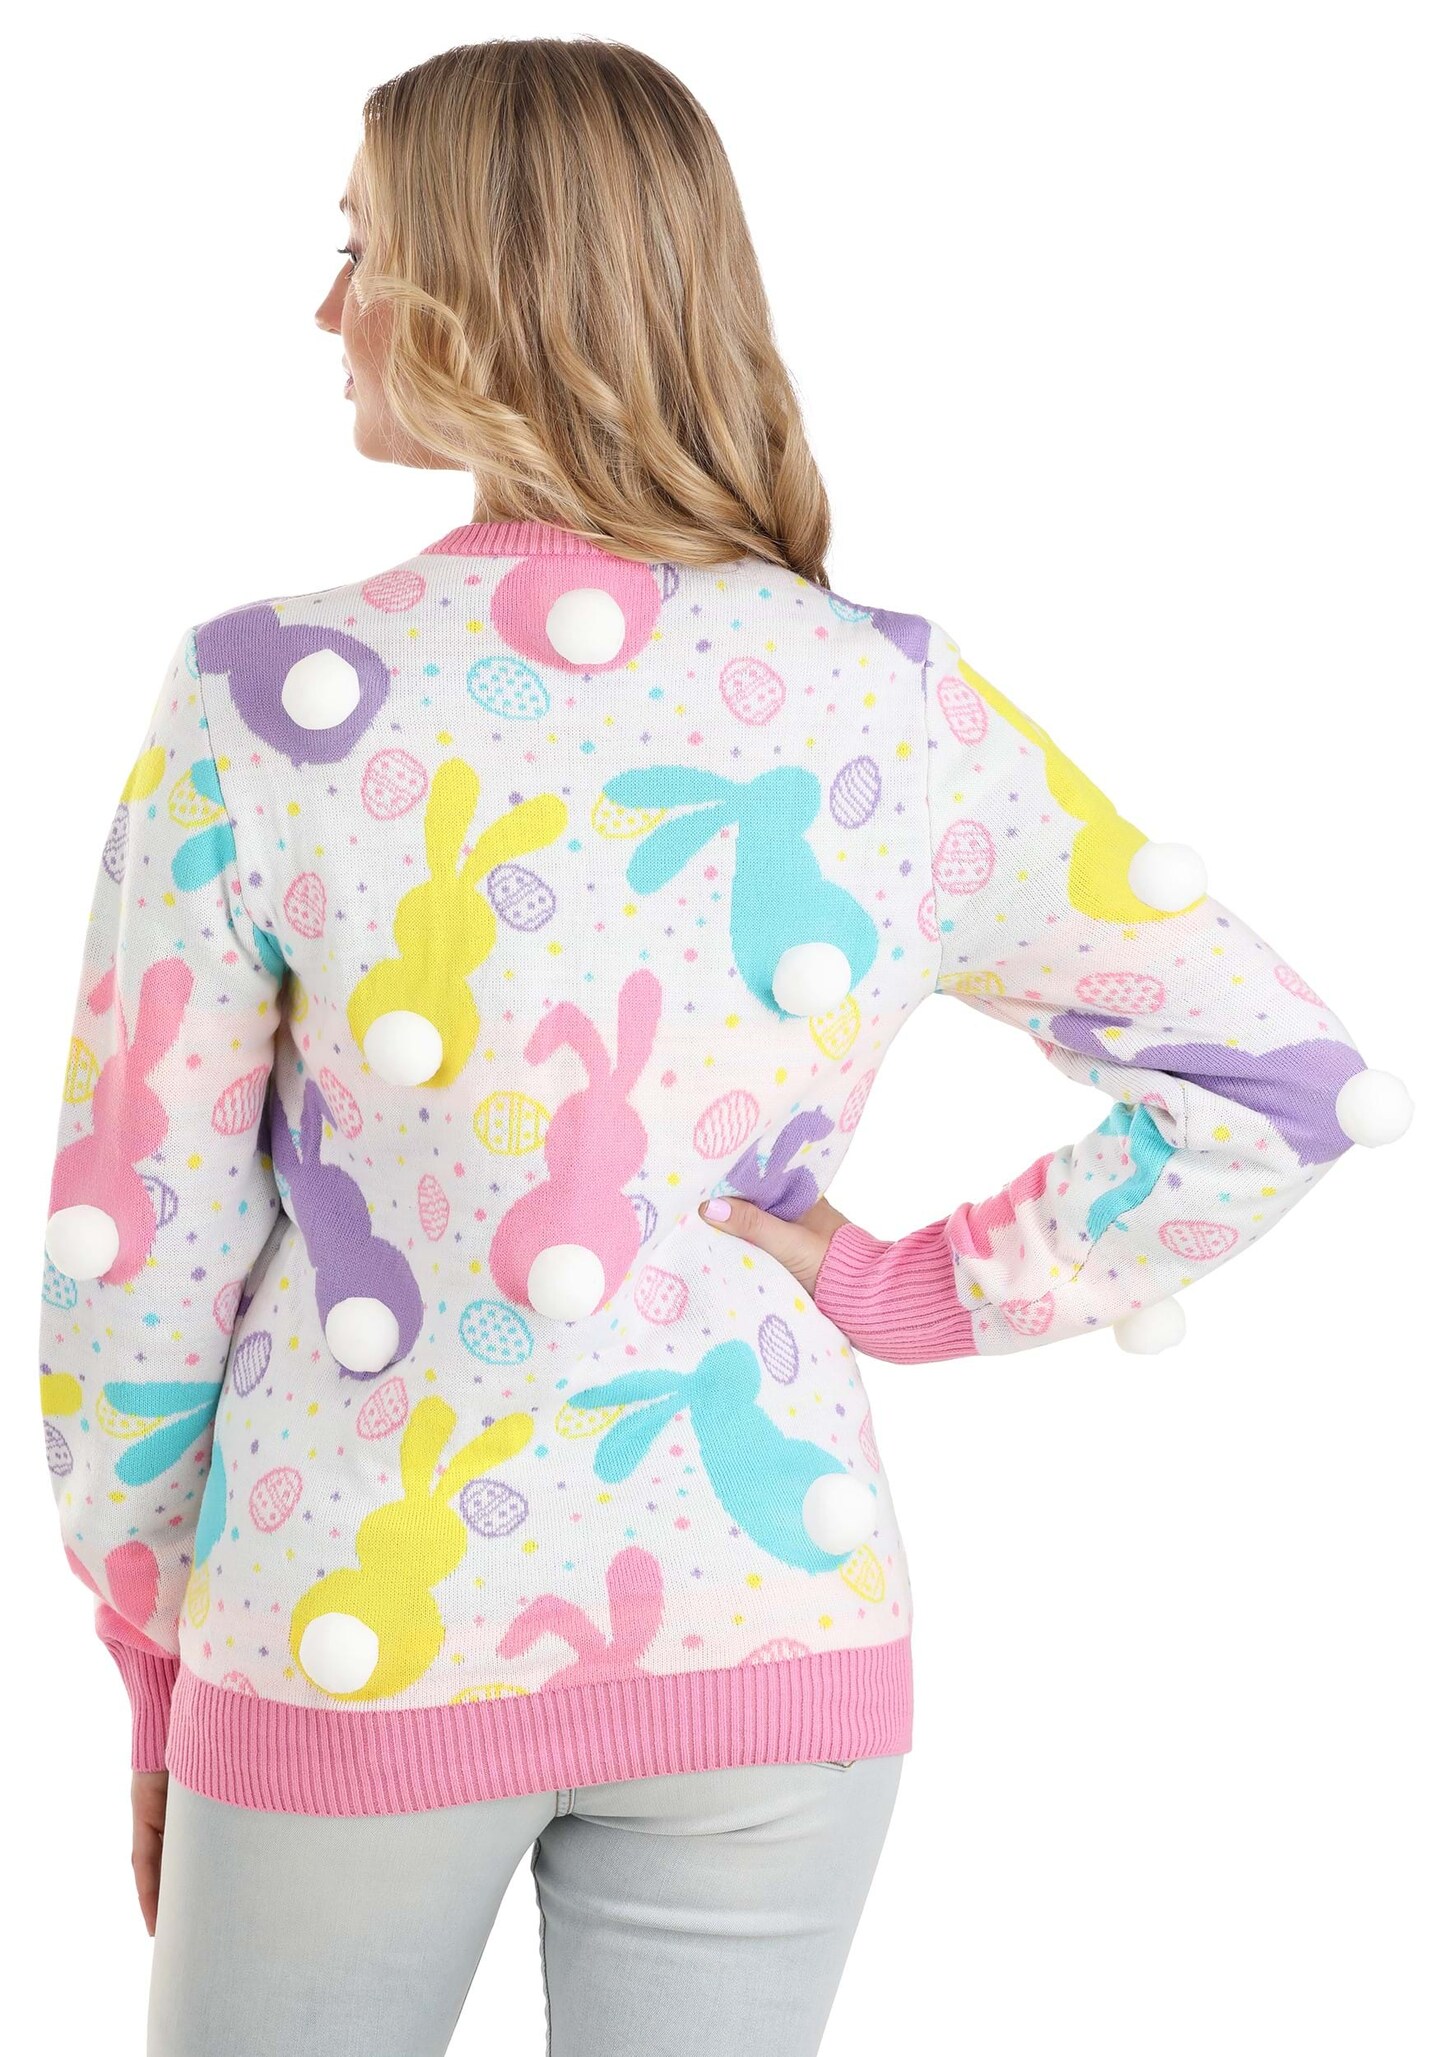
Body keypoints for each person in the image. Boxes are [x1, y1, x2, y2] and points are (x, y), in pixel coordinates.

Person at [35, 35, 1411, 2057]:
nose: (327, 311)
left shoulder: (268, 697)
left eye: (360, 249)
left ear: (483, 292)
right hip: (772, 1627)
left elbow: (137, 1247)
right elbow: (1279, 1080)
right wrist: (915, 1293)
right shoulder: (883, 699)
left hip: (347, 1632)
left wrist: (155, 1654)